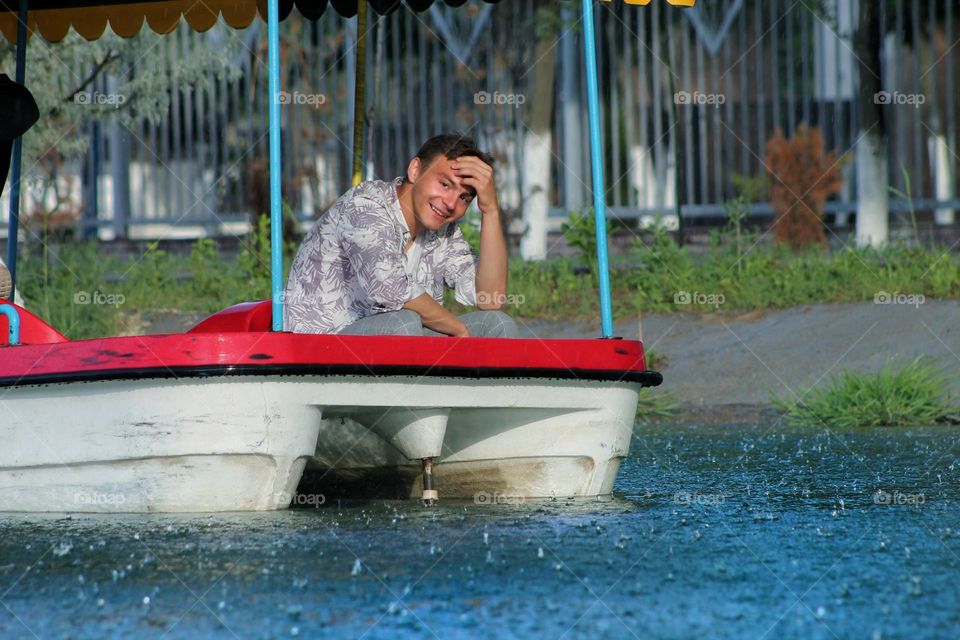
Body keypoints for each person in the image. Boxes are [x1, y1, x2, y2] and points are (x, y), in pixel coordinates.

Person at [284, 133, 518, 337]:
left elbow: (490, 298)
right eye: (444, 184)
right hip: (321, 345)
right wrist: (457, 329)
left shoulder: (444, 232)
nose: (450, 203)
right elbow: (392, 291)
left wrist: (491, 210)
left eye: (465, 198)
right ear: (415, 170)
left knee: (497, 325)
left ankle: (473, 389)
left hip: (401, 344)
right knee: (403, 323)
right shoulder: (364, 206)